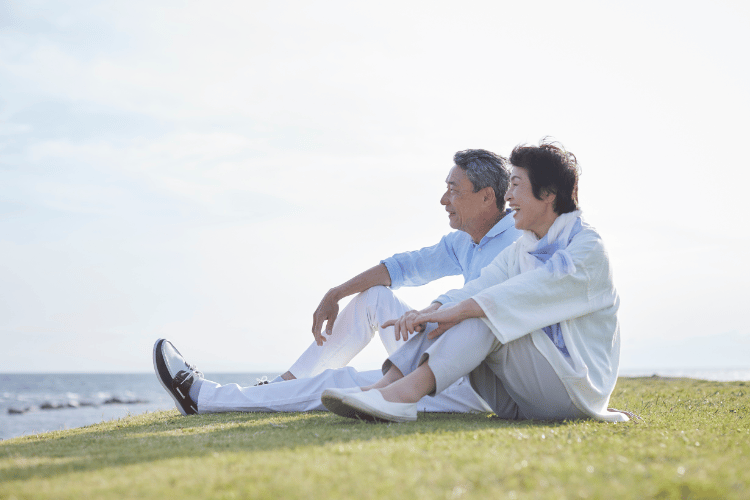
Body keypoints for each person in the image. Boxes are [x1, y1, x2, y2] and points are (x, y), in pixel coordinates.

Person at [154, 149, 522, 415]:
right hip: (445, 352)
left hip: (474, 381)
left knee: (341, 382)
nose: (444, 199)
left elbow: (475, 307)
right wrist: (336, 293)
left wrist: (430, 314)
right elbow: (403, 267)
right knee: (375, 297)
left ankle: (202, 396)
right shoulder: (465, 240)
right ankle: (284, 384)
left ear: (487, 197)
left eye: (454, 189)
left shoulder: (516, 244)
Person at [322, 140, 630, 423]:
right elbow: (480, 285)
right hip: (519, 399)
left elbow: (531, 290)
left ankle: (401, 398)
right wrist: (432, 311)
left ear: (548, 194)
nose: (508, 197)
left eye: (517, 186)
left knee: (481, 312)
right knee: (456, 308)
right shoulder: (521, 249)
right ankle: (382, 389)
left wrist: (461, 310)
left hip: (572, 394)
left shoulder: (587, 248)